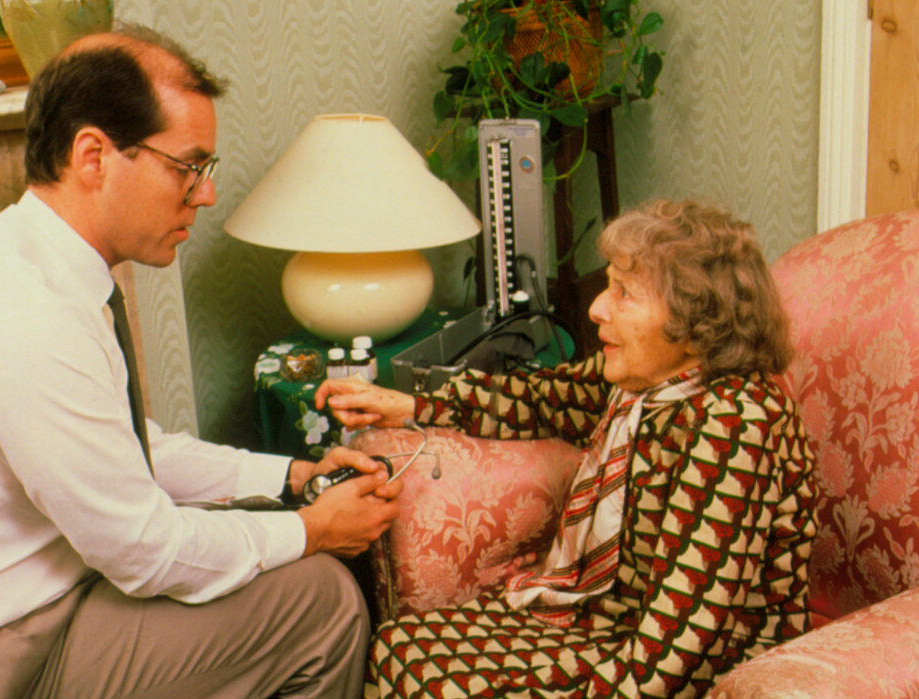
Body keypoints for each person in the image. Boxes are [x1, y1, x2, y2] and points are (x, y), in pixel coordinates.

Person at [0, 25, 402, 699]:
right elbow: (143, 549)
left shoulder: (35, 260)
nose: (206, 194)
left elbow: (125, 451)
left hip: (4, 611)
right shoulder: (30, 323)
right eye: (188, 167)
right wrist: (310, 529)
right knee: (320, 599)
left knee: (274, 556)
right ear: (93, 156)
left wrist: (291, 475)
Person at [315, 199, 819, 697]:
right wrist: (409, 406)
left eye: (625, 294)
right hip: (606, 616)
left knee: (441, 681)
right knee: (400, 646)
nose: (597, 308)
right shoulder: (648, 380)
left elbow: (688, 636)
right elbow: (541, 398)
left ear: (694, 327)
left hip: (685, 661)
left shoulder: (734, 425)